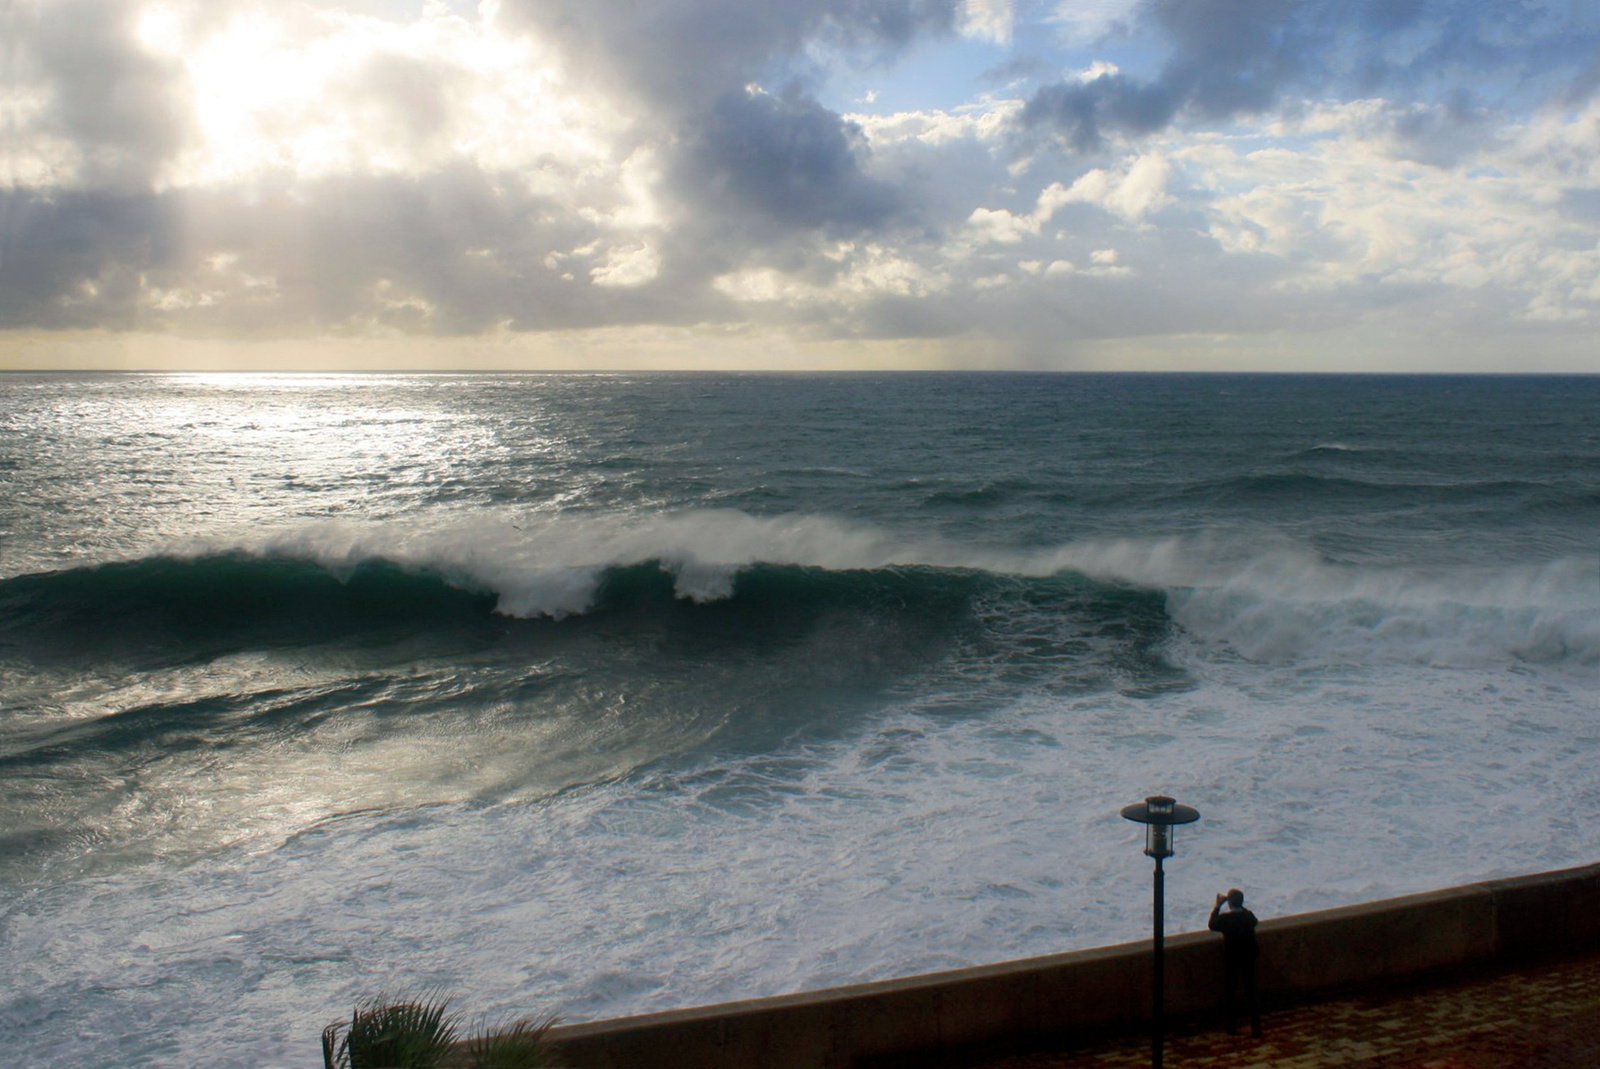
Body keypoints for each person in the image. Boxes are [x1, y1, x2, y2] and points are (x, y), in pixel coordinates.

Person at [1208, 888, 1262, 1037]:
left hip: (1232, 958)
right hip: (1248, 957)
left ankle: (1231, 1026)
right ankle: (1256, 1027)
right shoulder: (1248, 916)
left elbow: (1211, 924)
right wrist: (1237, 904)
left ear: (1229, 903)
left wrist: (1218, 906)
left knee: (1230, 993)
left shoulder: (1225, 919)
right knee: (1251, 992)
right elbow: (1254, 920)